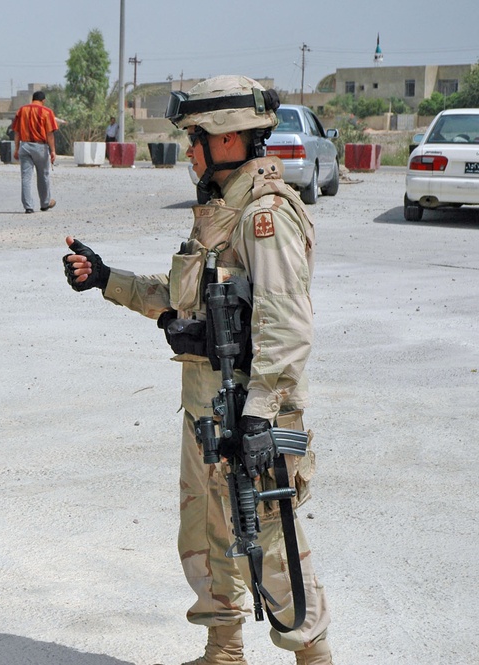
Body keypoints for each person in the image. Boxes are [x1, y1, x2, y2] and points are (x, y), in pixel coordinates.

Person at [61, 75, 332, 665]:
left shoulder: (265, 215)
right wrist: (108, 280)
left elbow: (285, 325)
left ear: (229, 139)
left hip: (253, 414)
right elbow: (183, 300)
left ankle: (313, 657)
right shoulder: (219, 210)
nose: (189, 152)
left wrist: (260, 414)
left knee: (272, 544)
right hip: (208, 407)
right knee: (208, 537)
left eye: (196, 139)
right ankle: (223, 653)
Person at [12, 90, 58, 213]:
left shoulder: (22, 110)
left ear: (32, 99)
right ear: (43, 101)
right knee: (43, 175)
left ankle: (28, 207)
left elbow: (16, 132)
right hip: (40, 147)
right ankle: (44, 203)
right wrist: (53, 151)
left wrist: (16, 149)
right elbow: (50, 134)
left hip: (25, 146)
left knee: (26, 177)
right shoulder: (47, 112)